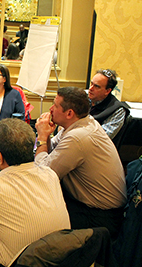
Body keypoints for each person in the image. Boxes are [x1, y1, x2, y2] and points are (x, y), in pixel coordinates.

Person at [0, 118, 70, 267]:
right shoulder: (49, 174)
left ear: (0, 157)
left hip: (16, 264)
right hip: (61, 258)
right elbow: (20, 175)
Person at [35, 87, 127, 239]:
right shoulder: (81, 122)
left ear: (69, 113)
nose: (50, 109)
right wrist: (46, 137)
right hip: (93, 206)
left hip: (99, 216)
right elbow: (51, 151)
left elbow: (43, 174)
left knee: (39, 214)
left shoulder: (78, 137)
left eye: (55, 105)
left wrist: (42, 137)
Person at [89, 68, 129, 139]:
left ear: (107, 91)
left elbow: (102, 138)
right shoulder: (83, 98)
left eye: (96, 86)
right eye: (91, 84)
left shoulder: (117, 110)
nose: (91, 88)